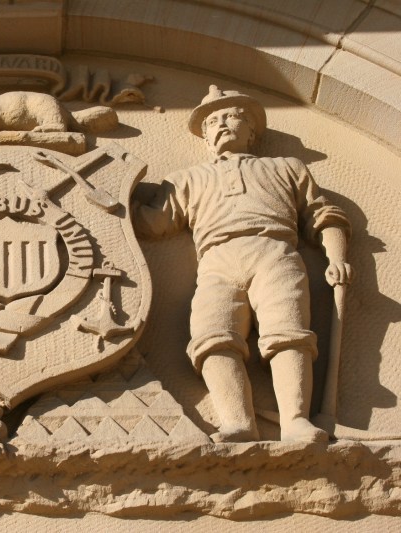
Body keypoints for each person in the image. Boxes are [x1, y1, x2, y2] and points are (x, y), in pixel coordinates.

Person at [133, 85, 353, 443]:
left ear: (251, 129)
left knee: (288, 333)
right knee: (211, 335)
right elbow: (153, 223)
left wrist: (337, 257)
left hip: (275, 252)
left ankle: (295, 420)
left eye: (230, 117)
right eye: (211, 122)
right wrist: (120, 195)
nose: (220, 125)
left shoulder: (286, 168)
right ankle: (238, 422)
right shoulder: (186, 179)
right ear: (204, 136)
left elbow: (322, 215)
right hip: (217, 259)